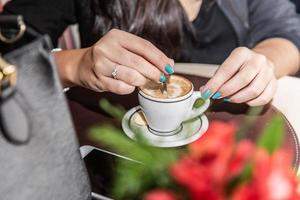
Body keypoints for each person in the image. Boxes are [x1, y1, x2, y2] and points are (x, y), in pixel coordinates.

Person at [2, 0, 300, 106]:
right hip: (112, 145)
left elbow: (287, 34)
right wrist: (76, 64)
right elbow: (9, 47)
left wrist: (265, 63)